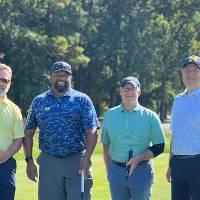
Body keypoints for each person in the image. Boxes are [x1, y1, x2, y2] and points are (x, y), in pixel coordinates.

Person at [23, 61, 99, 200]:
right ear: (51, 77)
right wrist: (29, 161)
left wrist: (87, 157)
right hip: (49, 162)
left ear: (70, 78)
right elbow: (28, 133)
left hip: (77, 161)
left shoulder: (83, 100)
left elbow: (92, 131)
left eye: (65, 75)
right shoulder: (38, 101)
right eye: (57, 74)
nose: (61, 78)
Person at [102, 76, 165, 200]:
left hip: (141, 171)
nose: (128, 91)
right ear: (120, 92)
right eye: (125, 88)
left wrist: (138, 158)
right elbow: (105, 144)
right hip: (116, 171)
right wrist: (109, 169)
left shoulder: (150, 116)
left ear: (139, 92)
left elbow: (160, 146)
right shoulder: (110, 114)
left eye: (132, 88)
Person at [166, 55, 200, 200]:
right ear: (182, 73)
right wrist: (170, 164)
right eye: (187, 70)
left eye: (195, 70)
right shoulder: (178, 100)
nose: (190, 74)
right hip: (177, 164)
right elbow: (176, 134)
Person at [0, 63, 24, 200]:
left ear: (9, 83)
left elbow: (18, 139)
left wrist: (7, 154)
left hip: (6, 165)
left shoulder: (14, 109)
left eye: (5, 80)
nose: (2, 84)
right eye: (0, 79)